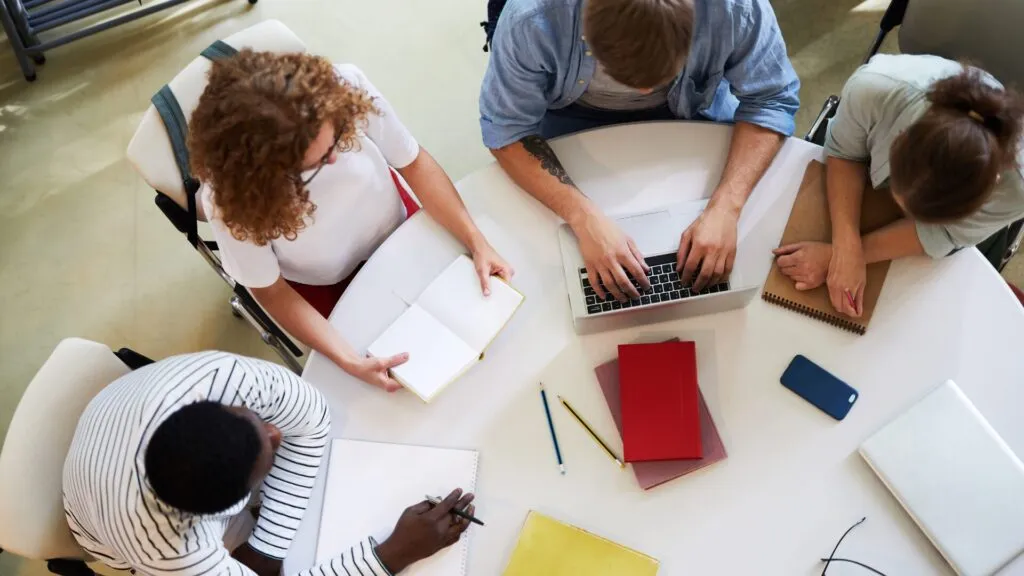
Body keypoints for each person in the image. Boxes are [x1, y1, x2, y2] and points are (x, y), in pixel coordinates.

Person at [189, 50, 513, 392]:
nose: (334, 158)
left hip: (396, 224)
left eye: (337, 137)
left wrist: (476, 241)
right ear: (267, 173)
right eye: (313, 165)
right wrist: (350, 361)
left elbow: (413, 162)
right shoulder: (230, 201)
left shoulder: (344, 85)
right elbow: (271, 291)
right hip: (325, 282)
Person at [479, 0, 799, 299]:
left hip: (692, 108)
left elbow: (771, 98)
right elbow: (508, 129)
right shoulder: (531, 18)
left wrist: (727, 207)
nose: (643, 91)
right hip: (571, 116)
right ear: (585, 29)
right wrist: (584, 218)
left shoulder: (734, 8)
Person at [63, 351, 476, 576]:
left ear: (218, 405)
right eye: (269, 460)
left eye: (256, 422)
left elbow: (311, 422)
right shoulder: (169, 548)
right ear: (232, 505)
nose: (276, 434)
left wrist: (265, 549)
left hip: (112, 432)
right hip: (103, 526)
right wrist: (391, 555)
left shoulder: (221, 375)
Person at [775, 54, 1024, 317]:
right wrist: (845, 247)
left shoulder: (1017, 190)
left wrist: (841, 256)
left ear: (990, 187)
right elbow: (845, 154)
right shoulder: (873, 88)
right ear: (899, 138)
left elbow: (943, 234)